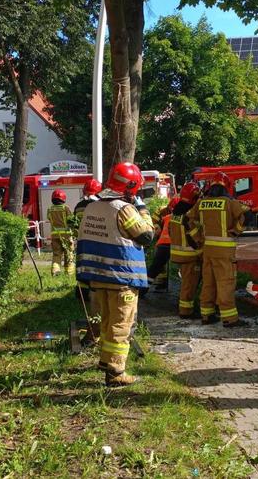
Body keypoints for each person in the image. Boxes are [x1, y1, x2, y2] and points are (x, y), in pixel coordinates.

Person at [76, 162, 154, 387]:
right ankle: (116, 372)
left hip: (98, 276)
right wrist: (143, 211)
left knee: (108, 321)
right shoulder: (124, 209)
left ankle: (106, 361)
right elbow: (146, 236)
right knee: (122, 324)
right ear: (131, 187)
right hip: (122, 277)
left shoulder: (92, 207)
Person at [186, 171, 248, 327]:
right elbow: (245, 215)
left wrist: (198, 238)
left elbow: (188, 220)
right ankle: (229, 318)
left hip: (208, 250)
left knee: (209, 282)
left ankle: (207, 315)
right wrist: (236, 230)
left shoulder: (201, 202)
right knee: (225, 283)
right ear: (226, 187)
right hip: (225, 251)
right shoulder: (230, 203)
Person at [73, 179, 103, 346]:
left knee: (83, 273)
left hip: (82, 245)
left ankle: (82, 294)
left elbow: (76, 226)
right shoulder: (101, 206)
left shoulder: (79, 206)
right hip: (98, 246)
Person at [169, 182, 202, 318]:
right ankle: (186, 311)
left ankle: (187, 308)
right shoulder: (189, 214)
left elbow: (171, 232)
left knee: (186, 283)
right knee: (189, 285)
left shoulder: (176, 212)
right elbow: (194, 236)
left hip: (178, 254)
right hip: (190, 255)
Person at [146, 197, 178, 292]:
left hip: (167, 243)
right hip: (165, 241)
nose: (171, 211)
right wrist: (157, 229)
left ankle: (145, 288)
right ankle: (161, 281)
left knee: (156, 265)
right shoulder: (162, 211)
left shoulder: (170, 216)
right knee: (158, 265)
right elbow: (154, 223)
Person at [47, 189, 74, 276]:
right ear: (63, 199)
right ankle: (69, 273)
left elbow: (49, 218)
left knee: (56, 254)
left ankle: (55, 271)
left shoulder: (49, 209)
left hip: (55, 235)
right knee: (68, 253)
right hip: (66, 235)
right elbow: (71, 220)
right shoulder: (65, 208)